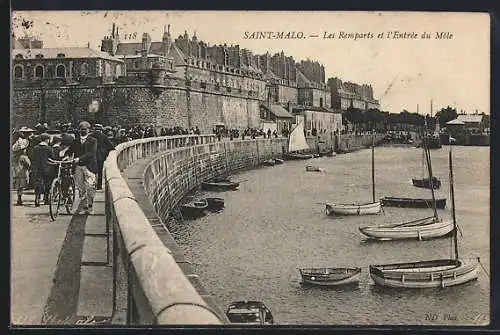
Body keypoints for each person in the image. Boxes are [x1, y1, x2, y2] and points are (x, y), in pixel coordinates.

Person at [67, 121, 98, 215]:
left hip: (89, 166)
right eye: (81, 129)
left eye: (85, 129)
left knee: (90, 186)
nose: (83, 131)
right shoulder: (76, 140)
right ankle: (84, 207)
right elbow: (70, 150)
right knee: (80, 188)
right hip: (78, 167)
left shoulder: (93, 140)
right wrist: (65, 154)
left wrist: (79, 158)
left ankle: (90, 207)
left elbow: (91, 153)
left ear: (88, 130)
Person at [90, 124, 115, 190]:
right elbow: (111, 146)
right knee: (100, 171)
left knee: (91, 171)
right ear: (101, 130)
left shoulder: (90, 136)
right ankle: (99, 186)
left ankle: (91, 185)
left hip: (91, 156)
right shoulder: (103, 136)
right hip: (100, 156)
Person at [32, 133, 54, 207]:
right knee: (47, 183)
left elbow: (33, 157)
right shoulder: (49, 148)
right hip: (47, 168)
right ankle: (46, 199)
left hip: (38, 168)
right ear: (47, 140)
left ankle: (37, 199)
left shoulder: (35, 148)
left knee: (38, 183)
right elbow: (52, 157)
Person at [12, 136, 31, 206]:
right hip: (22, 173)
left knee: (18, 187)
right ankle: (19, 199)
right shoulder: (23, 157)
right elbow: (28, 164)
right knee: (21, 187)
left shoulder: (14, 157)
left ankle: (19, 199)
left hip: (16, 172)